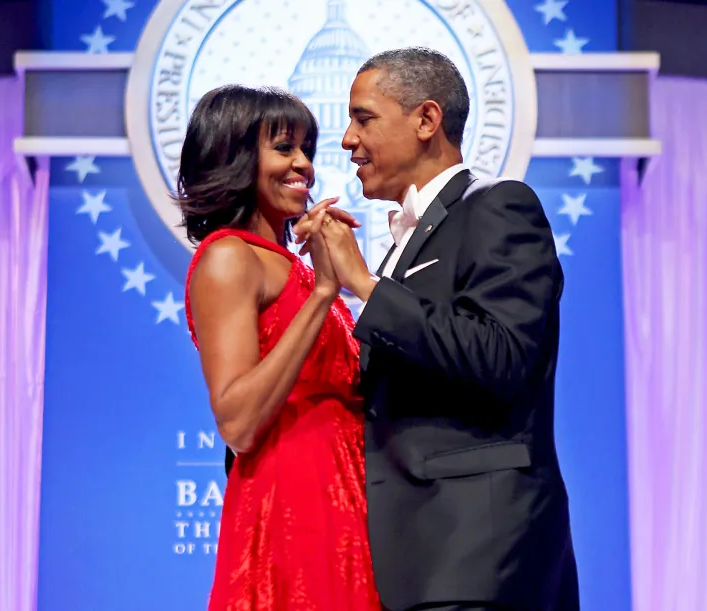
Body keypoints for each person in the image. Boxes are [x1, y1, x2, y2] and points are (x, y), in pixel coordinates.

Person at [296, 47, 580, 611]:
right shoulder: (405, 240)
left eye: (363, 118)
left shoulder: (500, 207)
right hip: (412, 560)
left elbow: (498, 358)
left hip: (478, 557)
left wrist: (365, 285)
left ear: (427, 120)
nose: (347, 140)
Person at [178, 84, 380, 611]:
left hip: (348, 501)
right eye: (285, 148)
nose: (304, 166)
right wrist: (322, 295)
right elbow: (238, 422)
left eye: (306, 150)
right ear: (236, 156)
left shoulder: (292, 264)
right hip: (293, 508)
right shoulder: (228, 258)